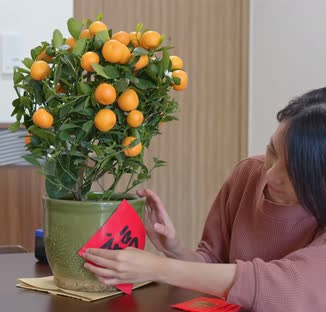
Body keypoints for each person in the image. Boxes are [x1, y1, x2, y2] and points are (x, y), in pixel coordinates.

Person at [82, 87, 326, 311]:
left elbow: (287, 288)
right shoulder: (249, 173)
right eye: (272, 151)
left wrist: (157, 268)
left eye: (295, 172)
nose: (271, 174)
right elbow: (211, 266)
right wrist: (175, 250)